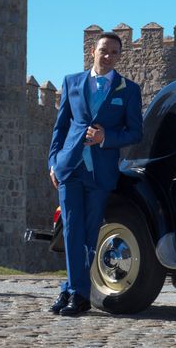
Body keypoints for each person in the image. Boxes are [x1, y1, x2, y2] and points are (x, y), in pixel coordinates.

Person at [47, 32, 142, 316]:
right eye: (104, 50)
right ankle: (76, 293)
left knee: (88, 234)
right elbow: (60, 127)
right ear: (93, 51)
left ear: (120, 56)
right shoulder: (71, 82)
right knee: (72, 231)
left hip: (100, 173)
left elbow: (135, 132)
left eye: (114, 52)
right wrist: (53, 162)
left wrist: (105, 137)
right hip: (70, 168)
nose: (108, 56)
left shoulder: (129, 90)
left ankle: (72, 291)